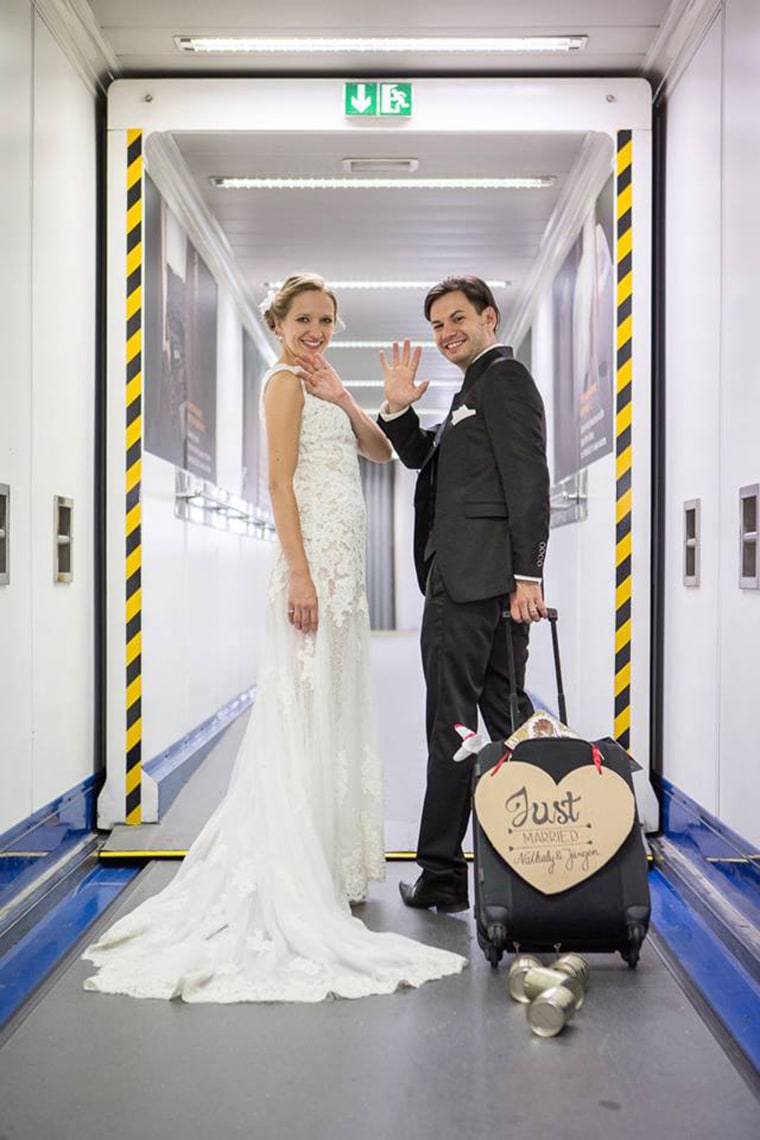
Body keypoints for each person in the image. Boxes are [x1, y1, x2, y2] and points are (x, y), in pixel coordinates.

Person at [82, 274, 466, 1002]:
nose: (317, 331)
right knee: (301, 705)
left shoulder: (319, 385)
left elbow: (382, 454)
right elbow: (280, 484)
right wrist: (298, 573)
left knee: (334, 708)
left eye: (326, 319)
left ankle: (325, 859)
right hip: (311, 567)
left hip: (343, 573)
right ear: (278, 323)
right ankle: (293, 864)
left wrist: (347, 397)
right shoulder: (280, 385)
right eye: (304, 320)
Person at [378, 275, 551, 915]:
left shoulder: (502, 381)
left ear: (489, 317)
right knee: (506, 724)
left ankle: (443, 874)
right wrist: (398, 411)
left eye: (457, 319)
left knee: (451, 725)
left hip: (474, 586)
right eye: (436, 326)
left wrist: (528, 575)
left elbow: (529, 481)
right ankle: (536, 858)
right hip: (487, 586)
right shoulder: (469, 391)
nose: (446, 333)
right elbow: (428, 460)